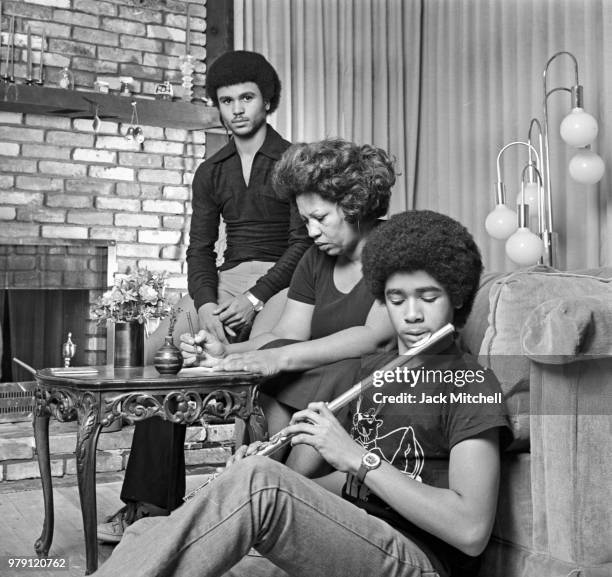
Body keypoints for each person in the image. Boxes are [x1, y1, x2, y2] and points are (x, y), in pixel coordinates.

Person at [92, 210, 511, 577]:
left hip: (418, 559)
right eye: (397, 299)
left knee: (256, 485)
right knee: (148, 532)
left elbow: (470, 531)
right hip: (355, 534)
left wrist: (354, 459)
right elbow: (352, 491)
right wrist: (270, 483)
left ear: (455, 298)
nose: (413, 314)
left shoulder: (470, 385)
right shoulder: (380, 377)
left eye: (429, 297)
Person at [97, 50, 310, 544]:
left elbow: (302, 245)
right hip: (224, 280)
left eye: (247, 98)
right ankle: (148, 507)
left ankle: (249, 509)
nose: (236, 109)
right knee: (163, 367)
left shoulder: (295, 161)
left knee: (257, 369)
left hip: (284, 281)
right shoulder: (210, 170)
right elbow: (198, 250)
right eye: (226, 100)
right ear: (217, 106)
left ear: (267, 100)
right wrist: (208, 302)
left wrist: (256, 299)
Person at [181, 138, 398, 460]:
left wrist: (278, 359)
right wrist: (226, 351)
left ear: (356, 204)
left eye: (320, 218)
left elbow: (375, 339)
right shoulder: (315, 258)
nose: (311, 231)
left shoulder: (395, 246)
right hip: (322, 374)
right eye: (305, 220)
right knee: (266, 394)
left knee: (287, 374)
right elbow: (287, 334)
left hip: (368, 377)